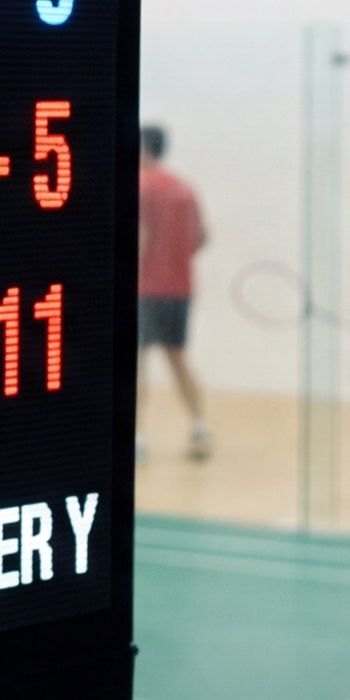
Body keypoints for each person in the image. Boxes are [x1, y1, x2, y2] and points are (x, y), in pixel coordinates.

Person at [134, 124, 211, 467]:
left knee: (135, 364)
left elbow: (139, 240)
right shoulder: (185, 188)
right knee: (178, 358)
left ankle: (134, 437)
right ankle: (199, 427)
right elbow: (202, 238)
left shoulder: (138, 186)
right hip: (180, 289)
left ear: (143, 148)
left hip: (144, 291)